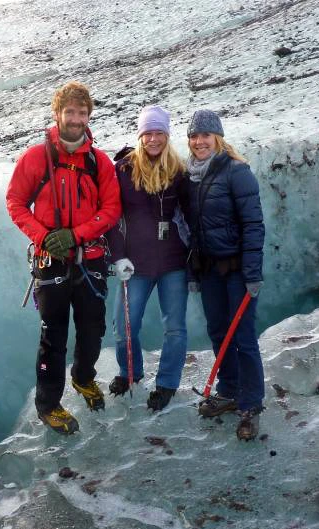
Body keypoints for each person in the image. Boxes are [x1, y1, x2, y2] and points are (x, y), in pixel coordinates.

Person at [6, 81, 121, 435]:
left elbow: (111, 208)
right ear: (57, 114)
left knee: (92, 330)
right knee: (52, 336)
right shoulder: (35, 158)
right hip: (50, 262)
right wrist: (43, 237)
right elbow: (15, 202)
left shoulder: (98, 161)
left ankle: (84, 379)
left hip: (90, 258)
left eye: (82, 113)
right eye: (69, 112)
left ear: (89, 116)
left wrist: (76, 235)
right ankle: (48, 406)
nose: (75, 119)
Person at [184, 109, 266, 441]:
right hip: (209, 272)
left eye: (205, 135)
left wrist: (252, 273)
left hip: (236, 271)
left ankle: (250, 404)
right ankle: (230, 390)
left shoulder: (237, 172)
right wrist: (193, 270)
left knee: (244, 337)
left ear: (217, 138)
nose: (199, 141)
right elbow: (191, 230)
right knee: (219, 332)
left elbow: (253, 224)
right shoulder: (191, 177)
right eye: (194, 136)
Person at [107, 105, 190, 411]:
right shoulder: (123, 171)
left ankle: (167, 383)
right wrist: (118, 257)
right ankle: (130, 372)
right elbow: (112, 218)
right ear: (140, 136)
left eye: (159, 133)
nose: (153, 139)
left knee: (175, 327)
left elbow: (192, 214)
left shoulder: (179, 171)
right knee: (123, 326)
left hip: (173, 263)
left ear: (167, 136)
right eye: (148, 133)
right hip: (136, 263)